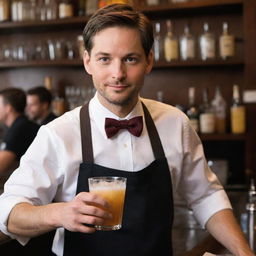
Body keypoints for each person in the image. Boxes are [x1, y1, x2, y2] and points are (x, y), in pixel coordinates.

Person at [0, 4, 254, 256]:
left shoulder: (175, 123)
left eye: (130, 59)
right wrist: (58, 213)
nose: (117, 74)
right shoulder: (57, 133)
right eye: (104, 59)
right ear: (88, 61)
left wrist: (245, 252)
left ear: (149, 61)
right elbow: (8, 212)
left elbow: (206, 197)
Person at [0, 88, 39, 193]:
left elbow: (1, 165)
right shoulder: (17, 125)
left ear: (8, 108)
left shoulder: (20, 128)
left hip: (30, 192)